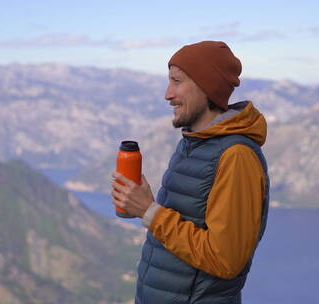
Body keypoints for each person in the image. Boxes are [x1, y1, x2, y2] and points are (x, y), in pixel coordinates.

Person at [111, 40, 270, 304]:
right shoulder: (194, 142)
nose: (167, 94)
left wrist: (150, 212)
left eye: (176, 81)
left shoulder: (237, 156)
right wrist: (143, 204)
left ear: (206, 87)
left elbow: (225, 259)